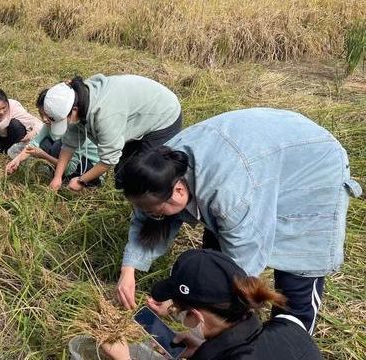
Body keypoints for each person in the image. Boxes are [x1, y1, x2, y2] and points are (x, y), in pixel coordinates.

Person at [115, 108, 362, 335]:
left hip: (311, 164)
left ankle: (289, 341)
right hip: (259, 155)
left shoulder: (229, 193)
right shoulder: (158, 168)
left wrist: (183, 303)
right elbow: (147, 215)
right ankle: (217, 325)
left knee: (297, 271)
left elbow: (244, 259)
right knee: (216, 257)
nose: (155, 216)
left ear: (179, 191)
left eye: (157, 212)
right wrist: (129, 271)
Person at [102, 249, 323, 360]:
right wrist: (203, 348)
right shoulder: (290, 325)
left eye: (178, 311)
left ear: (198, 318)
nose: (177, 314)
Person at [41, 74, 182, 192]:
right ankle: (126, 199)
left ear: (75, 110)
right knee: (122, 172)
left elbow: (108, 160)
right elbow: (69, 144)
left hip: (163, 115)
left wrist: (81, 180)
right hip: (135, 113)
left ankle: (143, 211)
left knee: (144, 173)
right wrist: (57, 177)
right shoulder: (77, 99)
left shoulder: (105, 116)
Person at [6, 89, 102, 186]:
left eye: (47, 115)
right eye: (41, 114)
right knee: (45, 143)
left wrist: (43, 155)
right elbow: (33, 144)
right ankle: (57, 176)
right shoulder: (49, 125)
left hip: (90, 169)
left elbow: (71, 167)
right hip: (69, 163)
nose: (44, 119)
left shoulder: (74, 129)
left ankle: (65, 179)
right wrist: (17, 160)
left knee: (57, 145)